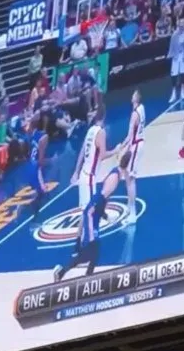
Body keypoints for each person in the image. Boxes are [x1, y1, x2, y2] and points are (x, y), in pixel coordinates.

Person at [53, 151, 132, 283]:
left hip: (95, 211)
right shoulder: (116, 177)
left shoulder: (117, 172)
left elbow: (103, 198)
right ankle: (62, 271)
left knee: (95, 252)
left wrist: (104, 215)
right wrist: (104, 215)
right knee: (92, 249)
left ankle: (86, 277)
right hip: (92, 212)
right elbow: (101, 198)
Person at [71, 103, 107, 212]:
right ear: (104, 116)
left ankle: (80, 230)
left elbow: (82, 152)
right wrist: (116, 150)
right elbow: (103, 155)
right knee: (91, 212)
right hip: (90, 178)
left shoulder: (90, 130)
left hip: (83, 174)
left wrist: (76, 172)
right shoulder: (101, 132)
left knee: (84, 211)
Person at [117, 89, 146, 225]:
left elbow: (129, 137)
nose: (132, 95)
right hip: (139, 144)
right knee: (128, 176)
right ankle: (130, 206)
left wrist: (121, 148)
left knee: (130, 179)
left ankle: (132, 213)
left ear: (136, 99)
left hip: (135, 146)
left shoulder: (134, 114)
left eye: (134, 94)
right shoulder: (142, 108)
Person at [169, 17, 184, 104]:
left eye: (183, 24)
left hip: (183, 55)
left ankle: (182, 91)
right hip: (176, 56)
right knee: (174, 74)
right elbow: (171, 46)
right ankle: (173, 93)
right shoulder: (174, 35)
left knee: (183, 73)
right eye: (180, 24)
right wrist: (171, 55)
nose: (181, 26)